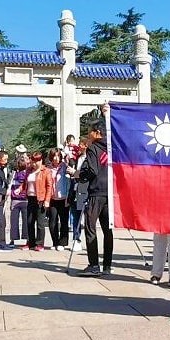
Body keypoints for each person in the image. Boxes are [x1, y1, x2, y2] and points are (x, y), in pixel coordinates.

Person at [77, 119, 114, 278]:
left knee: (91, 227)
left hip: (96, 191)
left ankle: (93, 265)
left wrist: (80, 175)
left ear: (97, 132)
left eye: (90, 131)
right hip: (110, 191)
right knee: (108, 230)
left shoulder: (93, 148)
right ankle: (107, 265)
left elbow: (92, 169)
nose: (88, 134)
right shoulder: (113, 147)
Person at [47, 148, 71, 250]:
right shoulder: (48, 169)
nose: (56, 158)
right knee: (52, 221)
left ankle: (63, 242)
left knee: (64, 221)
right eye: (54, 156)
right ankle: (55, 242)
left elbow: (69, 182)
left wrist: (68, 198)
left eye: (57, 156)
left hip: (63, 197)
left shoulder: (65, 167)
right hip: (52, 198)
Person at [67, 138, 89, 252]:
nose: (79, 147)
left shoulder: (90, 158)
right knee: (76, 216)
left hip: (86, 190)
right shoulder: (75, 159)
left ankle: (89, 240)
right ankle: (76, 239)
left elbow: (87, 174)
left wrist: (75, 173)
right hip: (75, 189)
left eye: (81, 145)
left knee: (87, 218)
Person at [9, 156, 30, 245]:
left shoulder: (14, 175)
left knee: (14, 221)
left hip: (16, 199)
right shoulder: (27, 174)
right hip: (25, 199)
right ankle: (27, 238)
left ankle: (13, 239)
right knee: (26, 220)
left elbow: (11, 186)